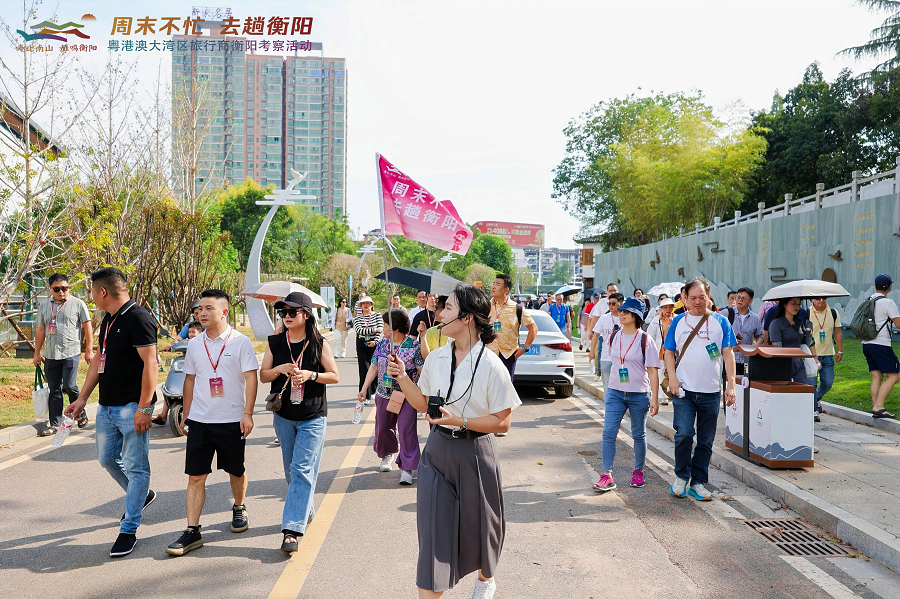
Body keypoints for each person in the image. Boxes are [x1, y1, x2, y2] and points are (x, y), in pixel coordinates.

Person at [386, 284, 521, 599]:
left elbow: (503, 422)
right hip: (437, 453)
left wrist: (461, 421)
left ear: (468, 318)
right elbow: (423, 405)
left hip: (477, 451)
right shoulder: (435, 359)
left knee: (484, 528)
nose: (440, 314)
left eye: (447, 309)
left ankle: (485, 579)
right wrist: (403, 377)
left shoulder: (491, 365)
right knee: (433, 535)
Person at [64, 267, 158, 558]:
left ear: (102, 292)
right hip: (106, 406)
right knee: (106, 459)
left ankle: (128, 529)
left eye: (92, 292)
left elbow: (151, 365)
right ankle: (139, 494)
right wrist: (82, 399)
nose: (91, 297)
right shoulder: (108, 319)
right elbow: (98, 363)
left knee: (136, 465)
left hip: (133, 406)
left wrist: (144, 408)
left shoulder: (139, 318)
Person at [165, 290, 259, 556]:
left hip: (231, 419)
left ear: (224, 312)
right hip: (201, 421)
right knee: (196, 476)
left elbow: (251, 379)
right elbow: (190, 380)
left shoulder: (240, 342)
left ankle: (239, 506)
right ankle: (192, 530)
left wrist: (248, 413)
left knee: (236, 470)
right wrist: (186, 414)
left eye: (208, 308)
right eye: (200, 309)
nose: (202, 313)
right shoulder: (195, 344)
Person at [259, 291, 339, 552]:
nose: (287, 317)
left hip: (312, 416)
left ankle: (291, 529)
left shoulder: (319, 343)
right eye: (283, 312)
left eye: (292, 312)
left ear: (306, 315)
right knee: (291, 471)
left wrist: (311, 374)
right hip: (284, 416)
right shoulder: (274, 342)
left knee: (302, 470)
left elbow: (334, 376)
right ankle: (306, 509)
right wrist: (279, 370)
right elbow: (263, 376)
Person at [663, 277, 737, 502]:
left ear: (709, 297)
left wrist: (731, 385)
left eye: (702, 297)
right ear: (684, 298)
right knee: (684, 434)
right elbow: (668, 352)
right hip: (683, 390)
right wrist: (673, 379)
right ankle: (681, 476)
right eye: (692, 297)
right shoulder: (678, 322)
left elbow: (728, 353)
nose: (697, 302)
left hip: (711, 392)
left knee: (705, 440)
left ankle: (698, 482)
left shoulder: (720, 322)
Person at [593, 297, 661, 492]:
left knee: (638, 434)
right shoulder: (614, 336)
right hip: (615, 391)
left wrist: (655, 398)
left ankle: (638, 470)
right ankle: (606, 474)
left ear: (636, 316)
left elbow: (653, 371)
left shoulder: (645, 340)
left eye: (626, 312)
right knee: (608, 432)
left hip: (639, 394)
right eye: (621, 310)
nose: (621, 313)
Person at [358, 310, 424, 485]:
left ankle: (407, 468)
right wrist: (364, 388)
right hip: (384, 393)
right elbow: (373, 367)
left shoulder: (413, 345)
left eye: (385, 325)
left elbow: (420, 370)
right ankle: (387, 454)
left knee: (406, 430)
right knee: (383, 427)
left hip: (407, 395)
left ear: (394, 327)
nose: (382, 328)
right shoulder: (382, 344)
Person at [34, 273, 93, 434]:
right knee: (54, 388)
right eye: (57, 289)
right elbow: (40, 330)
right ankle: (55, 423)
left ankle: (80, 413)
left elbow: (87, 326)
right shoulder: (45, 306)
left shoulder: (78, 304)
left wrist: (89, 349)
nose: (61, 292)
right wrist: (37, 353)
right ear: (50, 289)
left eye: (65, 288)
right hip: (51, 354)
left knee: (69, 385)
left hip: (71, 352)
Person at [861, 274, 900, 419]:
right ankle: (879, 406)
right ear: (889, 287)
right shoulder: (888, 302)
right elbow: (898, 324)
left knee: (877, 376)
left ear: (875, 285)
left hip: (867, 343)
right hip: (881, 344)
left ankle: (876, 407)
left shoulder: (868, 300)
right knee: (894, 376)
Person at [486, 274, 537, 382]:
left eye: (497, 284)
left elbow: (533, 328)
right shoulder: (485, 307)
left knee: (505, 389)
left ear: (506, 290)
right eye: (493, 284)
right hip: (487, 353)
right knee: (485, 388)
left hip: (508, 355)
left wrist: (525, 347)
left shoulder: (516, 308)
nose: (493, 287)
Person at [769, 298, 819, 401]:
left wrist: (809, 330)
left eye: (799, 304)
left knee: (804, 392)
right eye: (793, 303)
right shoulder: (776, 324)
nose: (797, 307)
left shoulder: (798, 322)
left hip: (798, 363)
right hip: (783, 364)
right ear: (784, 304)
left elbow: (804, 342)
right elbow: (777, 349)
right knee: (786, 396)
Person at [153, 322, 204, 426]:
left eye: (193, 332)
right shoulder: (189, 325)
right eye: (196, 311)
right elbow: (178, 339)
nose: (199, 313)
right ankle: (163, 415)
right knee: (169, 385)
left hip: (201, 362)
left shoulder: (208, 328)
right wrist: (172, 344)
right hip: (185, 359)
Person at [810, 296, 843, 419]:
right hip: (811, 355)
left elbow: (838, 332)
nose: (821, 300)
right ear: (812, 300)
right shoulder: (807, 312)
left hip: (828, 354)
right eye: (817, 298)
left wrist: (840, 350)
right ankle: (813, 410)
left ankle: (817, 397)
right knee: (811, 383)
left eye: (824, 298)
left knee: (828, 382)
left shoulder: (833, 312)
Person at [727, 287, 764, 379]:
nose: (739, 300)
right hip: (729, 358)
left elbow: (760, 336)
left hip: (746, 359)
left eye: (743, 298)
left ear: (750, 302)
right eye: (738, 297)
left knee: (745, 387)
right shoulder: (726, 313)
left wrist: (755, 346)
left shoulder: (755, 318)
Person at [589, 293, 623, 391]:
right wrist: (592, 352)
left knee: (624, 384)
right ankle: (608, 406)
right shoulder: (604, 318)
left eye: (613, 303)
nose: (611, 306)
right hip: (606, 358)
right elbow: (596, 335)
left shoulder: (626, 318)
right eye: (609, 303)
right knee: (607, 386)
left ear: (620, 304)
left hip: (623, 360)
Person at [647, 297, 675, 405]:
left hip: (673, 350)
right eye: (665, 307)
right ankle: (661, 396)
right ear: (661, 308)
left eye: (670, 307)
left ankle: (669, 393)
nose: (668, 310)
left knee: (672, 371)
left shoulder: (676, 319)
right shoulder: (656, 320)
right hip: (660, 350)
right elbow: (650, 336)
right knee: (660, 371)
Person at [354, 296, 383, 401]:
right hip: (362, 344)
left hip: (375, 344)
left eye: (368, 303)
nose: (365, 305)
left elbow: (381, 330)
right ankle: (364, 394)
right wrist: (375, 329)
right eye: (363, 303)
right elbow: (359, 330)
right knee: (364, 369)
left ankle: (375, 391)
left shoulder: (377, 315)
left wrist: (375, 341)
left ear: (372, 305)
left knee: (376, 368)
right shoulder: (357, 318)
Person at [419, 295, 451, 359]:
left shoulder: (459, 331)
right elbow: (426, 358)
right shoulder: (431, 331)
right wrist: (423, 337)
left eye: (436, 307)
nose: (434, 310)